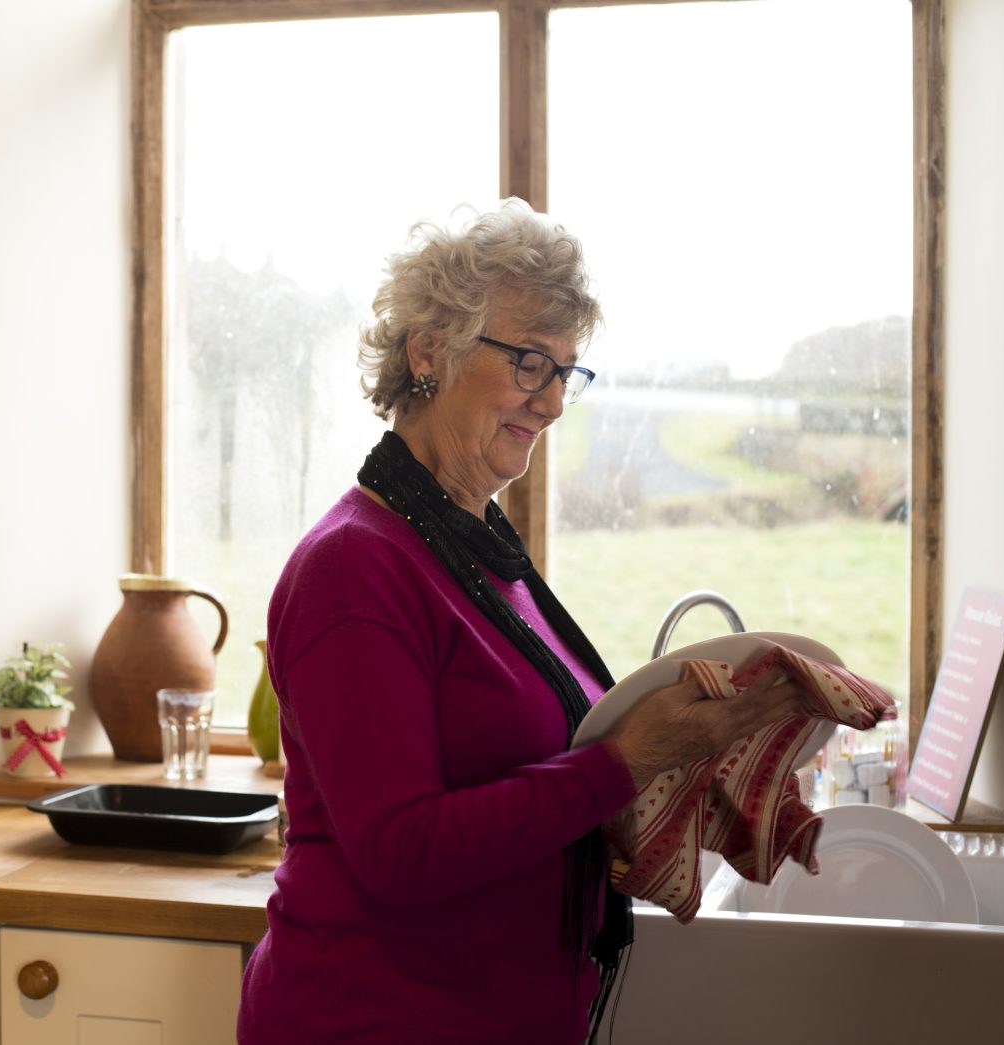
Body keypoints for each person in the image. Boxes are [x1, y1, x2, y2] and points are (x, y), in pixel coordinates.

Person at [236, 200, 808, 1044]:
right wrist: (624, 761)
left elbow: (537, 788)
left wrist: (703, 783)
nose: (553, 403)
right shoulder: (355, 568)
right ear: (429, 352)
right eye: (531, 361)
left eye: (567, 371)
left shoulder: (475, 555)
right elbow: (402, 848)